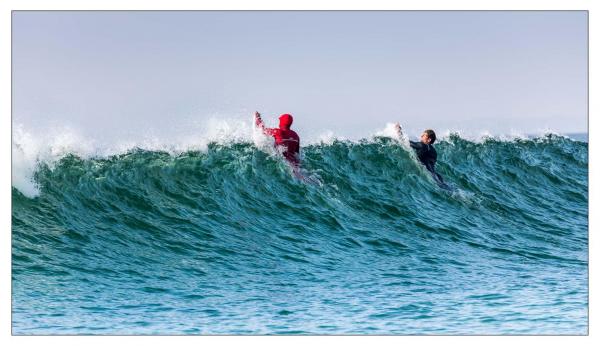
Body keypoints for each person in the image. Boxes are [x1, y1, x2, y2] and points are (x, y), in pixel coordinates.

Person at [395, 123, 447, 187]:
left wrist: (398, 131)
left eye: (424, 135)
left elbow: (405, 141)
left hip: (430, 175)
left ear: (429, 139)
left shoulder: (422, 145)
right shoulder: (434, 151)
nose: (421, 136)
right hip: (436, 175)